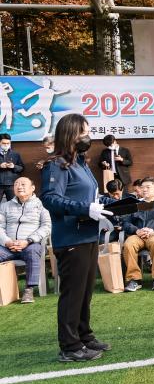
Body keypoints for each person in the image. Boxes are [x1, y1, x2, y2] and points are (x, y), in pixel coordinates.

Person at [41, 113, 113, 362]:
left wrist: (111, 203)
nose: (88, 136)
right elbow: (50, 199)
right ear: (70, 134)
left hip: (88, 235)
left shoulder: (80, 163)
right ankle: (70, 346)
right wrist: (85, 209)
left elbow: (89, 198)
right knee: (73, 294)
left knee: (85, 292)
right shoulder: (57, 165)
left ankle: (84, 336)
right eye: (84, 132)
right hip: (71, 238)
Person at [0, 177, 51, 304]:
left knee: (32, 252)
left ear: (32, 188)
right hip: (8, 246)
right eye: (16, 184)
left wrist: (28, 241)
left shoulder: (41, 205)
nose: (19, 186)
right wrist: (7, 242)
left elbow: (46, 226)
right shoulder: (5, 206)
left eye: (23, 184)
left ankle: (29, 290)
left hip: (30, 244)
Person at [0, 134, 24, 202]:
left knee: (13, 204)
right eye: (4, 143)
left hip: (11, 184)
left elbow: (22, 168)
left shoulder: (15, 154)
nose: (6, 145)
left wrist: (14, 166)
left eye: (8, 143)